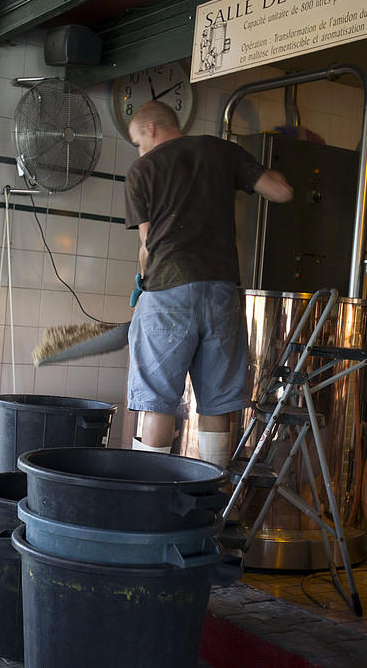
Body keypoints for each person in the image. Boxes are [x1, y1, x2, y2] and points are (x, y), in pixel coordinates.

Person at [124, 101, 293, 466]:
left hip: (167, 289)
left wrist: (142, 286)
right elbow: (282, 192)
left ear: (151, 129)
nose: (139, 149)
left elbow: (147, 246)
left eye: (138, 140)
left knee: (157, 402)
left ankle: (148, 496)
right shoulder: (222, 151)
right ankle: (212, 499)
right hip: (221, 291)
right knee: (217, 401)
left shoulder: (143, 170)